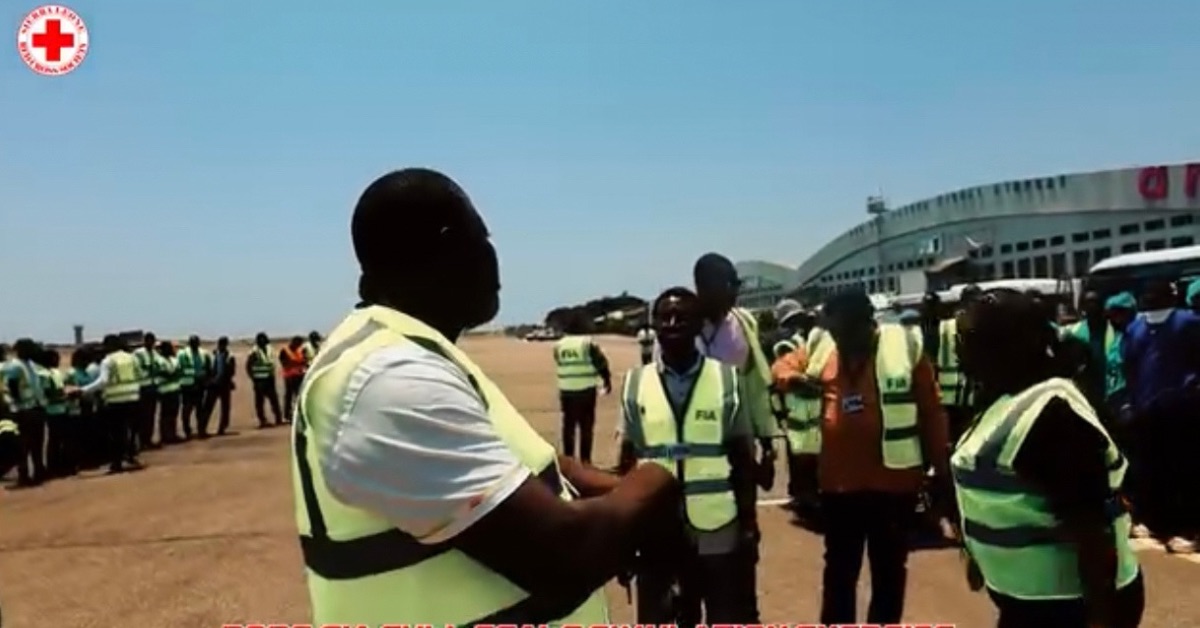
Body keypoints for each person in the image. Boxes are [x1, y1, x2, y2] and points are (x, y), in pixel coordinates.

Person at [291, 167, 679, 626]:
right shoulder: (389, 375)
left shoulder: (414, 350)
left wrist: (616, 496)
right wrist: (654, 482)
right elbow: (563, 556)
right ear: (448, 245)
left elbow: (538, 465)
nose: (494, 258)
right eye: (483, 238)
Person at [953, 288, 1144, 628]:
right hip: (1030, 605)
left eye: (969, 341)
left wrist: (1100, 620)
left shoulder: (1053, 413)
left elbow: (1091, 529)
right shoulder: (1004, 397)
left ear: (1008, 346)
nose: (958, 353)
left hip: (1071, 610)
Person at [798, 290, 949, 625]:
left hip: (893, 485)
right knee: (839, 572)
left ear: (868, 324)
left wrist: (941, 470)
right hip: (839, 486)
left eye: (846, 331)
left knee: (889, 571)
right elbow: (784, 365)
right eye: (834, 331)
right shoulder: (826, 349)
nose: (839, 339)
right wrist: (792, 378)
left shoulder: (905, 348)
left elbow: (931, 413)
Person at [617, 287, 759, 624]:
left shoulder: (727, 380)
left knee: (726, 615)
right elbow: (626, 464)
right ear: (654, 326)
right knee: (661, 618)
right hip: (656, 528)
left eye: (682, 317)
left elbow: (742, 458)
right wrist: (621, 536)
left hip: (717, 528)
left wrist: (749, 524)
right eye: (664, 317)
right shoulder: (635, 384)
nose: (672, 323)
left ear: (699, 326)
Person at [1121, 278, 1200, 553]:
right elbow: (1129, 365)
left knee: (1178, 470)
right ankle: (1162, 524)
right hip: (1156, 408)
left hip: (1178, 407)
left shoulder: (1185, 322)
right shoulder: (1140, 326)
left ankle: (1183, 527)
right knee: (1157, 470)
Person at [74, 334, 144, 473]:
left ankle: (116, 463)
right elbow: (140, 375)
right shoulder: (132, 358)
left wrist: (83, 391)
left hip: (115, 400)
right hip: (133, 397)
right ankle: (130, 457)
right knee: (130, 431)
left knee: (116, 433)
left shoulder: (108, 361)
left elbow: (103, 382)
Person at [552, 312, 611, 464]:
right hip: (586, 390)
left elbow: (558, 360)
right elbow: (601, 363)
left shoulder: (559, 344)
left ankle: (569, 458)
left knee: (568, 426)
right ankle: (585, 461)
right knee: (586, 427)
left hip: (566, 390)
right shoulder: (587, 342)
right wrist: (607, 380)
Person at [7, 338, 48, 487]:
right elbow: (12, 386)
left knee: (38, 442)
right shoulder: (15, 366)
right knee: (24, 444)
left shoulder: (31, 365)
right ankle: (23, 474)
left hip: (36, 406)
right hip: (24, 409)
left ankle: (39, 471)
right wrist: (18, 404)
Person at [36, 348, 74, 478]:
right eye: (56, 358)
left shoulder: (56, 373)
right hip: (52, 410)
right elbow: (47, 392)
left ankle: (62, 465)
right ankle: (53, 467)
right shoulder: (43, 375)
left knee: (64, 439)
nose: (58, 360)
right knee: (54, 441)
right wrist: (64, 396)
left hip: (62, 408)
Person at [175, 335, 211, 439]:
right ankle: (187, 431)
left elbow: (207, 367)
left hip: (200, 385)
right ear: (189, 343)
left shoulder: (203, 353)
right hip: (187, 385)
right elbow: (178, 368)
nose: (195, 344)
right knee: (187, 410)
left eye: (197, 342)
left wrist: (206, 380)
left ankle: (201, 430)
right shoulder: (182, 354)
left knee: (200, 410)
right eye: (193, 342)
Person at [199, 337, 236, 437]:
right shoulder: (211, 355)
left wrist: (229, 381)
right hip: (213, 385)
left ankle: (222, 428)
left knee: (225, 408)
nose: (223, 346)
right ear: (218, 344)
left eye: (224, 344)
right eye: (221, 344)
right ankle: (202, 429)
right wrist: (208, 381)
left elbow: (232, 370)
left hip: (224, 385)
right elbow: (206, 368)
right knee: (207, 408)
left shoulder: (230, 356)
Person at [246, 332, 284, 428]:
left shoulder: (270, 348)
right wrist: (253, 378)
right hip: (259, 379)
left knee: (274, 399)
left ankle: (278, 418)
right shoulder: (254, 351)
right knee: (260, 401)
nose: (263, 342)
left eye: (264, 339)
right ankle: (262, 420)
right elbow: (248, 366)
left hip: (270, 378)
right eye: (260, 340)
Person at [131, 332, 161, 451]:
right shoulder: (138, 353)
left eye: (152, 341)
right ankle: (141, 441)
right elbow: (137, 369)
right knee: (142, 416)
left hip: (153, 387)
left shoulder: (154, 353)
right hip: (143, 387)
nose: (150, 343)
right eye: (148, 341)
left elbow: (159, 366)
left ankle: (148, 439)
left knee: (151, 416)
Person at [156, 341, 182, 444]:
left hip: (174, 390)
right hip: (165, 391)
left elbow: (177, 372)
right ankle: (165, 436)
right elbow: (167, 373)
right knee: (165, 415)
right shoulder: (159, 361)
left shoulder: (173, 360)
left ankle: (172, 434)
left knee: (173, 414)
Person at [280, 336, 308, 421]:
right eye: (298, 344)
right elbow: (283, 362)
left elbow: (304, 361)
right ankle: (287, 415)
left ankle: (299, 414)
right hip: (290, 376)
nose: (299, 346)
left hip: (300, 376)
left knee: (299, 396)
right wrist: (294, 363)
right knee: (289, 396)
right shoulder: (284, 351)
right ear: (293, 342)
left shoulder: (300, 350)